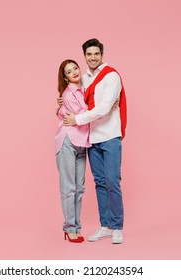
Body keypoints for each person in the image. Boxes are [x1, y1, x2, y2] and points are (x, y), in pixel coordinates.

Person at [63, 38, 127, 244]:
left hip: (110, 135)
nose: (92, 57)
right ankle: (105, 226)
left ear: (102, 54)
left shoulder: (111, 76)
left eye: (96, 54)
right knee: (99, 183)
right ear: (85, 56)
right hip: (93, 138)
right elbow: (72, 92)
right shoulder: (85, 78)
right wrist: (60, 103)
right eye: (89, 54)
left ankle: (117, 227)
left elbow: (104, 108)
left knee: (112, 182)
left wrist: (77, 119)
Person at [55, 59, 90, 243]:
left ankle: (76, 226)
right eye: (69, 71)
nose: (74, 72)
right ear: (65, 77)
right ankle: (70, 228)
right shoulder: (69, 94)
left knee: (80, 188)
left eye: (75, 68)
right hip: (68, 141)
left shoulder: (85, 88)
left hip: (82, 143)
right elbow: (84, 113)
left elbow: (84, 115)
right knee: (69, 188)